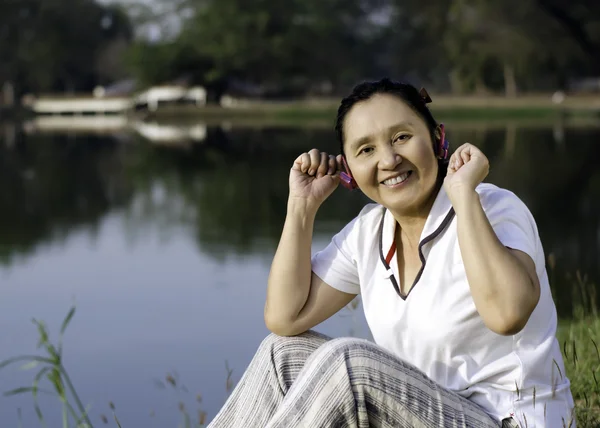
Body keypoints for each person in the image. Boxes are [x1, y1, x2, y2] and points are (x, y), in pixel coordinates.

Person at [207, 79, 575, 428]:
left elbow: (507, 314)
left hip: (510, 420)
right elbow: (285, 318)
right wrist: (301, 207)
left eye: (401, 137)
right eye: (366, 150)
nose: (388, 159)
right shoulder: (369, 231)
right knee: (281, 354)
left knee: (350, 365)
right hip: (426, 412)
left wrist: (463, 193)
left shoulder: (494, 208)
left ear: (437, 139)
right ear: (349, 169)